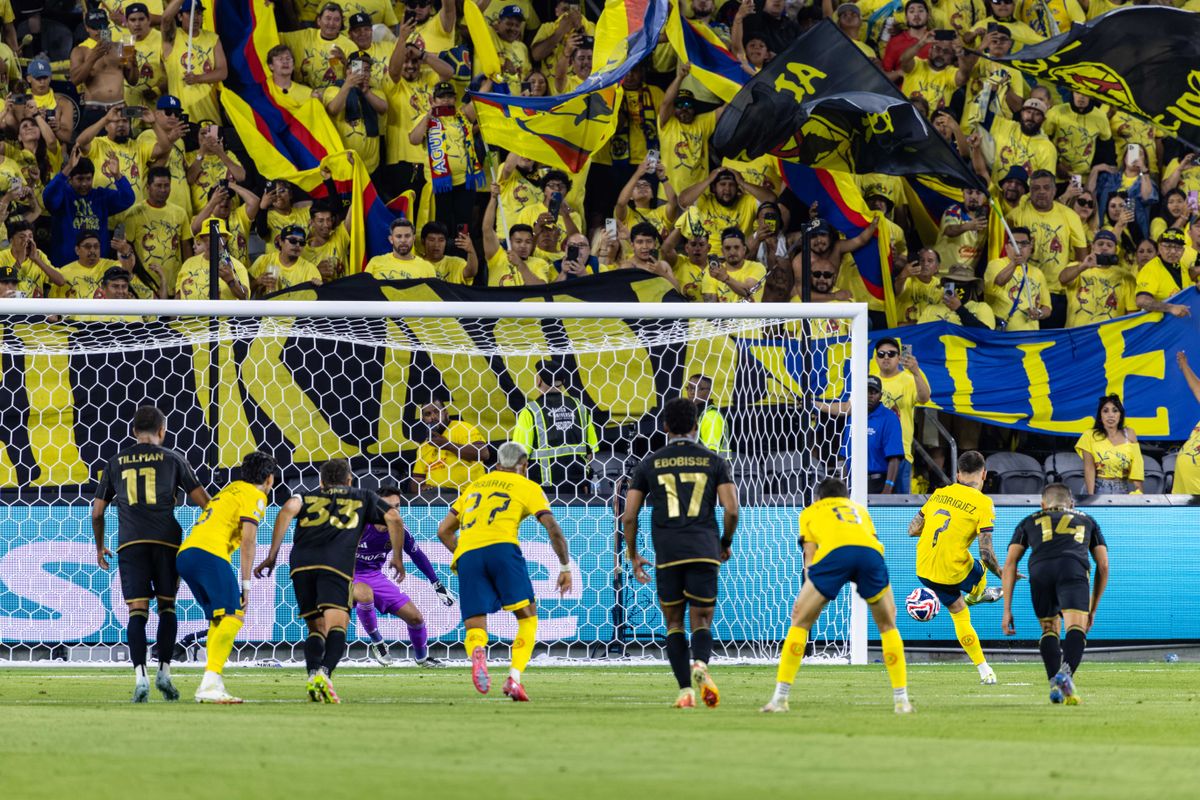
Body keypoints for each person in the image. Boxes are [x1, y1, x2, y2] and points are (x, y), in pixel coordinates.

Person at [254, 458, 403, 703]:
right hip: (335, 565)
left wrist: (272, 556)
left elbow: (286, 510)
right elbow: (394, 518)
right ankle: (325, 674)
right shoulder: (362, 495)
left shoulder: (305, 495)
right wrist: (397, 557)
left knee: (316, 627)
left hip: (301, 565)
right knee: (337, 624)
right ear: (349, 480)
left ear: (321, 481)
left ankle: (313, 674)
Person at [623, 398, 738, 709]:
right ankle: (700, 664)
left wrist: (633, 555)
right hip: (704, 549)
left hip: (668, 552)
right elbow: (731, 508)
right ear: (696, 426)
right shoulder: (713, 461)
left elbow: (629, 515)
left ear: (665, 428)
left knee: (674, 623)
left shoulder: (650, 463)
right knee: (702, 618)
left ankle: (685, 691)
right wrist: (725, 542)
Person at [91, 405, 210, 703]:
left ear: (133, 432)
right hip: (167, 542)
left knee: (137, 612)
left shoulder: (115, 462)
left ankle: (140, 677)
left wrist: (99, 545)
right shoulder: (173, 459)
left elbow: (97, 512)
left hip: (131, 544)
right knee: (168, 609)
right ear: (162, 431)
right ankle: (165, 673)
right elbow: (205, 502)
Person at [763, 477, 912, 714]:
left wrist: (808, 596)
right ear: (845, 498)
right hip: (870, 556)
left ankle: (780, 699)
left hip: (835, 555)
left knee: (800, 621)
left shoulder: (811, 511)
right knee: (887, 624)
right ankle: (902, 700)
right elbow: (872, 542)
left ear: (819, 498)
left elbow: (809, 558)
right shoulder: (859, 510)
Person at [436, 442, 572, 701]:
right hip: (502, 549)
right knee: (527, 616)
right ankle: (514, 679)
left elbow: (444, 530)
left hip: (468, 552)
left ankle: (478, 651)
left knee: (475, 623)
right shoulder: (528, 486)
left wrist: (463, 555)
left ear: (497, 464)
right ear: (524, 465)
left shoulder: (475, 486)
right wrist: (565, 567)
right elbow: (552, 527)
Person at [176, 451, 276, 704]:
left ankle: (213, 681)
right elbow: (248, 541)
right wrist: (246, 586)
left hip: (187, 554)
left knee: (219, 618)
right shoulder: (256, 495)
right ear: (270, 479)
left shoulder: (232, 488)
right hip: (208, 554)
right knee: (234, 615)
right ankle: (209, 683)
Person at [1002, 483, 1108, 705]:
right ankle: (1065, 675)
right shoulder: (1087, 520)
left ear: (1043, 504)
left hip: (1040, 570)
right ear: (1071, 503)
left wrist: (1007, 609)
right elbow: (1103, 565)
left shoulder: (1029, 520)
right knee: (1075, 628)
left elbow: (1011, 564)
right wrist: (1093, 608)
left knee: (1049, 628)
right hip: (1073, 567)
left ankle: (1056, 686)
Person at [908, 450, 1002, 685]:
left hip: (924, 568)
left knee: (959, 613)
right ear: (984, 475)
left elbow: (913, 529)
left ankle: (985, 670)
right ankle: (978, 594)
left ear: (958, 474)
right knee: (981, 566)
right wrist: (1004, 575)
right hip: (952, 570)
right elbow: (986, 553)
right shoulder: (984, 503)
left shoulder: (939, 493)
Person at [349, 484, 456, 667]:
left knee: (416, 619)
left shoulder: (399, 530)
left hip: (374, 576)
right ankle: (378, 643)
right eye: (387, 506)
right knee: (365, 595)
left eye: (397, 506)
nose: (393, 511)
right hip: (348, 574)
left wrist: (436, 584)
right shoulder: (359, 525)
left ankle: (422, 659)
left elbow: (418, 556)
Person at [1007, 169, 1089, 328]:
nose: (1041, 192)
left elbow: (1082, 257)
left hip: (1056, 292)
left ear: (1054, 190)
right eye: (1036, 188)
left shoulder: (1070, 215)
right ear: (1030, 191)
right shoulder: (1016, 215)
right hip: (1022, 289)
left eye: (1046, 187)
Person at [511, 360, 599, 494]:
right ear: (563, 381)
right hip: (577, 489)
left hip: (542, 492)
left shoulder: (530, 412)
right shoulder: (580, 408)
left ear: (538, 381)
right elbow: (590, 452)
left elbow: (518, 458)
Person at [42, 152, 135, 267]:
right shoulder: (62, 195)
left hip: (97, 270)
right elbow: (48, 198)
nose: (85, 183)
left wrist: (117, 176)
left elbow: (128, 198)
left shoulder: (101, 196)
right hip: (65, 268)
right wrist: (67, 169)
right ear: (70, 179)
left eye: (88, 179)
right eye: (80, 179)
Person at [871, 337, 931, 493]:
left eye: (891, 354)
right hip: (873, 452)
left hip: (901, 451)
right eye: (881, 354)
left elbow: (924, 398)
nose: (886, 357)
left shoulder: (910, 379)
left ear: (899, 357)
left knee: (901, 506)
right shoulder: (871, 380)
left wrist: (916, 371)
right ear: (876, 358)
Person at [1058, 230, 1135, 328]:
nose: (1104, 247)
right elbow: (1062, 279)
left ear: (1116, 250)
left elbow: (1132, 313)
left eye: (1109, 245)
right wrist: (1083, 266)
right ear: (1092, 246)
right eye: (1100, 244)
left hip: (1110, 337)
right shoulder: (1078, 267)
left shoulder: (1126, 276)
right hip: (1078, 334)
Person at [411, 399, 489, 492]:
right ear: (423, 420)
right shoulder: (424, 447)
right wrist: (422, 489)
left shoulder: (463, 428)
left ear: (446, 413)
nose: (433, 417)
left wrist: (447, 445)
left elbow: (483, 453)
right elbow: (417, 480)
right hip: (436, 498)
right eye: (428, 414)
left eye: (437, 412)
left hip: (467, 494)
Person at [983, 226, 1053, 330]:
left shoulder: (1038, 273)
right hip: (1003, 335)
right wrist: (1014, 263)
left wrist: (1039, 313)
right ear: (1006, 246)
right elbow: (998, 282)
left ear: (1030, 247)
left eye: (1024, 244)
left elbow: (1047, 307)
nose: (1018, 248)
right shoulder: (996, 264)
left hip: (1030, 335)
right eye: (1014, 244)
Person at [70, 8, 126, 131]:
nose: (99, 31)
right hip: (95, 110)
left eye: (102, 26)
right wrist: (92, 58)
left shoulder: (120, 47)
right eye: (94, 27)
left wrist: (133, 64)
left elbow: (133, 80)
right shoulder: (80, 51)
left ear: (107, 25)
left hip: (120, 109)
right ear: (86, 27)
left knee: (125, 148)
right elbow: (74, 80)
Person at [1075, 394, 1143, 495]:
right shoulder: (1089, 435)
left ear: (1120, 415)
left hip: (1122, 487)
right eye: (1105, 411)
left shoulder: (1130, 433)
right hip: (1098, 487)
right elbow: (1089, 468)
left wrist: (1139, 490)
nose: (1111, 415)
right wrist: (1091, 496)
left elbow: (1137, 466)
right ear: (1100, 415)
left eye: (1115, 410)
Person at [175, 218, 251, 300]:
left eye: (217, 237)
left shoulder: (236, 266)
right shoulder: (189, 263)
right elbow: (178, 297)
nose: (213, 241)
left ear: (225, 239)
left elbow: (245, 296)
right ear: (202, 239)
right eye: (208, 238)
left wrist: (231, 281)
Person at [1134, 229, 1193, 319]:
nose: (1173, 251)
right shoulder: (1151, 269)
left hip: (1176, 325)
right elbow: (1141, 301)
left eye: (1177, 247)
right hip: (1157, 327)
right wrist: (1170, 308)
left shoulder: (1182, 266)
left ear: (1183, 250)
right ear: (1160, 248)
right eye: (1168, 247)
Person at [250, 225, 323, 297]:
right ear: (281, 242)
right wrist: (257, 282)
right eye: (292, 241)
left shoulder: (310, 269)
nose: (297, 245)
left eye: (301, 242)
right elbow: (245, 294)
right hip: (266, 308)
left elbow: (318, 300)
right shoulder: (264, 260)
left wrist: (318, 288)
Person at [918, 264, 997, 328]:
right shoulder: (931, 309)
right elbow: (919, 336)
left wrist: (959, 309)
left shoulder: (982, 308)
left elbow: (986, 336)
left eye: (963, 283)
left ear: (972, 286)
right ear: (946, 285)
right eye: (953, 282)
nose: (957, 286)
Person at [702, 227, 766, 303]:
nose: (732, 252)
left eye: (736, 247)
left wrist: (725, 278)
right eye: (727, 248)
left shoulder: (757, 268)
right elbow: (711, 309)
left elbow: (749, 292)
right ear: (722, 251)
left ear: (744, 249)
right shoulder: (712, 273)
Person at [365, 218, 436, 280]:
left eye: (407, 236)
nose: (403, 240)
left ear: (413, 238)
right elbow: (365, 292)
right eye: (399, 236)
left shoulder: (427, 267)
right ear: (391, 239)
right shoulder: (375, 262)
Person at [686, 374, 727, 456]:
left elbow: (711, 453)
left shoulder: (711, 416)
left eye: (699, 388)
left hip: (713, 466)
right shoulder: (691, 413)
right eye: (689, 388)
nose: (692, 392)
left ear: (710, 393)